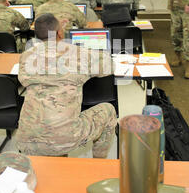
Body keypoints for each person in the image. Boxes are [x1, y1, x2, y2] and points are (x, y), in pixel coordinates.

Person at [16, 13, 117, 158]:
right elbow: (109, 66)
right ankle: (99, 163)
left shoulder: (26, 56)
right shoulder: (78, 55)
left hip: (27, 138)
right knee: (109, 110)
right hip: (64, 139)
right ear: (59, 32)